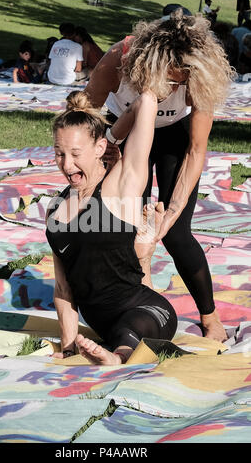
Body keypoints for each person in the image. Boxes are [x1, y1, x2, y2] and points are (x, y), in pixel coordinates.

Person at [84, 9, 235, 342]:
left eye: (179, 82)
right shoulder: (118, 59)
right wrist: (97, 152)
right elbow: (83, 116)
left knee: (176, 234)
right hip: (125, 132)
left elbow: (196, 150)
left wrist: (172, 213)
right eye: (168, 78)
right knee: (122, 227)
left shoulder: (197, 75)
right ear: (148, 65)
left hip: (172, 139)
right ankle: (128, 305)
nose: (172, 87)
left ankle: (210, 319)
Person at [45, 90, 178, 365]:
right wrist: (69, 349)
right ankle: (114, 352)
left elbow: (147, 101)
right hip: (104, 326)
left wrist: (113, 137)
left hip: (147, 311)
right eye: (59, 154)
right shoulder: (55, 210)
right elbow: (63, 288)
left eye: (75, 153)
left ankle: (117, 358)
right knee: (119, 332)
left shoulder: (121, 187)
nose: (67, 164)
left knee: (131, 328)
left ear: (98, 149)